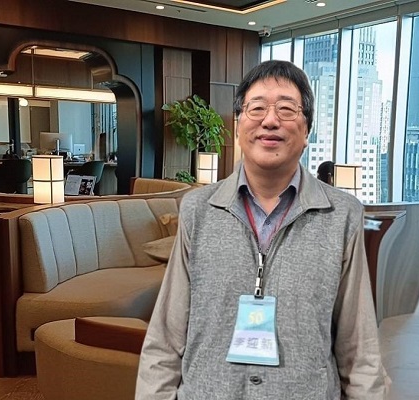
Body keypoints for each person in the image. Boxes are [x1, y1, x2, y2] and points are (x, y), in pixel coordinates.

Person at [136, 60, 389, 399]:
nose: (270, 120)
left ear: (307, 130)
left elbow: (359, 346)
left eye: (287, 109)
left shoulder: (342, 215)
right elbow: (165, 337)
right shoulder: (199, 209)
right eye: (256, 108)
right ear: (238, 125)